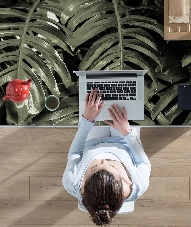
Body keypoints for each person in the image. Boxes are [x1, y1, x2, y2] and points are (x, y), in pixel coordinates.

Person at [63, 88, 151, 225]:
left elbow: (75, 153)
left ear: (84, 185)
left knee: (92, 104)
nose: (103, 159)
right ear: (123, 183)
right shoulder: (138, 185)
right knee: (126, 102)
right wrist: (127, 132)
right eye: (111, 166)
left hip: (92, 142)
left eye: (95, 167)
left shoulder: (72, 183)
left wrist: (87, 120)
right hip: (124, 141)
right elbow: (143, 163)